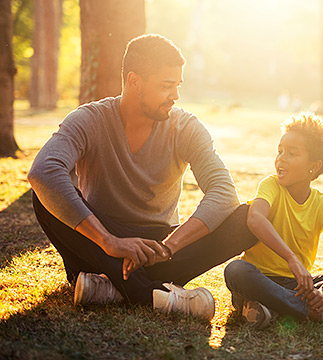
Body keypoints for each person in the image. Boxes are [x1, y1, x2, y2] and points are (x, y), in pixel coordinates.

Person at [27, 34, 257, 320]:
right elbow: (44, 171)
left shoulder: (186, 127)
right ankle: (152, 295)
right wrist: (110, 242)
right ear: (134, 81)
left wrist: (169, 246)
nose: (175, 95)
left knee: (247, 218)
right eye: (166, 86)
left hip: (158, 248)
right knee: (43, 195)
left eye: (177, 85)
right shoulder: (90, 119)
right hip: (99, 243)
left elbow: (223, 192)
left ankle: (111, 287)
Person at [224, 113, 323, 329]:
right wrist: (292, 259)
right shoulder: (270, 186)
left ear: (314, 166)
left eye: (292, 153)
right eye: (280, 151)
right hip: (259, 280)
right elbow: (255, 219)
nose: (281, 158)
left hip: (299, 286)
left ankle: (273, 310)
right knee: (235, 270)